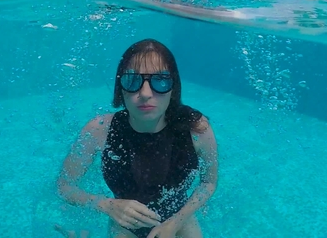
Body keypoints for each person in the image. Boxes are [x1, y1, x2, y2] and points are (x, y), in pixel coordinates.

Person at [56, 39, 219, 238]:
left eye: (160, 80)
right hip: (124, 224)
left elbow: (208, 183)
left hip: (179, 218)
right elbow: (65, 186)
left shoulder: (196, 128)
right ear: (120, 87)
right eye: (132, 80)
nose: (145, 93)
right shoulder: (100, 130)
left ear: (173, 87)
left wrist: (176, 222)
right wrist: (107, 205)